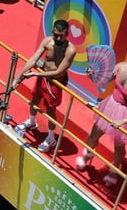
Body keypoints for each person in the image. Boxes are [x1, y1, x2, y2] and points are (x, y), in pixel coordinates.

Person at [76, 44, 127, 187]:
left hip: (126, 116)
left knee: (118, 147)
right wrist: (93, 75)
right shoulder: (121, 67)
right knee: (93, 135)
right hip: (109, 106)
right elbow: (104, 81)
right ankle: (88, 156)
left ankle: (115, 169)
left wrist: (123, 121)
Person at [13, 20, 78, 152]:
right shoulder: (47, 41)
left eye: (62, 35)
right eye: (56, 35)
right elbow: (33, 59)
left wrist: (35, 75)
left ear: (67, 34)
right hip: (42, 76)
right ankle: (31, 122)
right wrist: (18, 77)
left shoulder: (71, 50)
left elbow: (60, 71)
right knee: (34, 100)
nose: (58, 38)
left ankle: (51, 137)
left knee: (50, 110)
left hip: (54, 82)